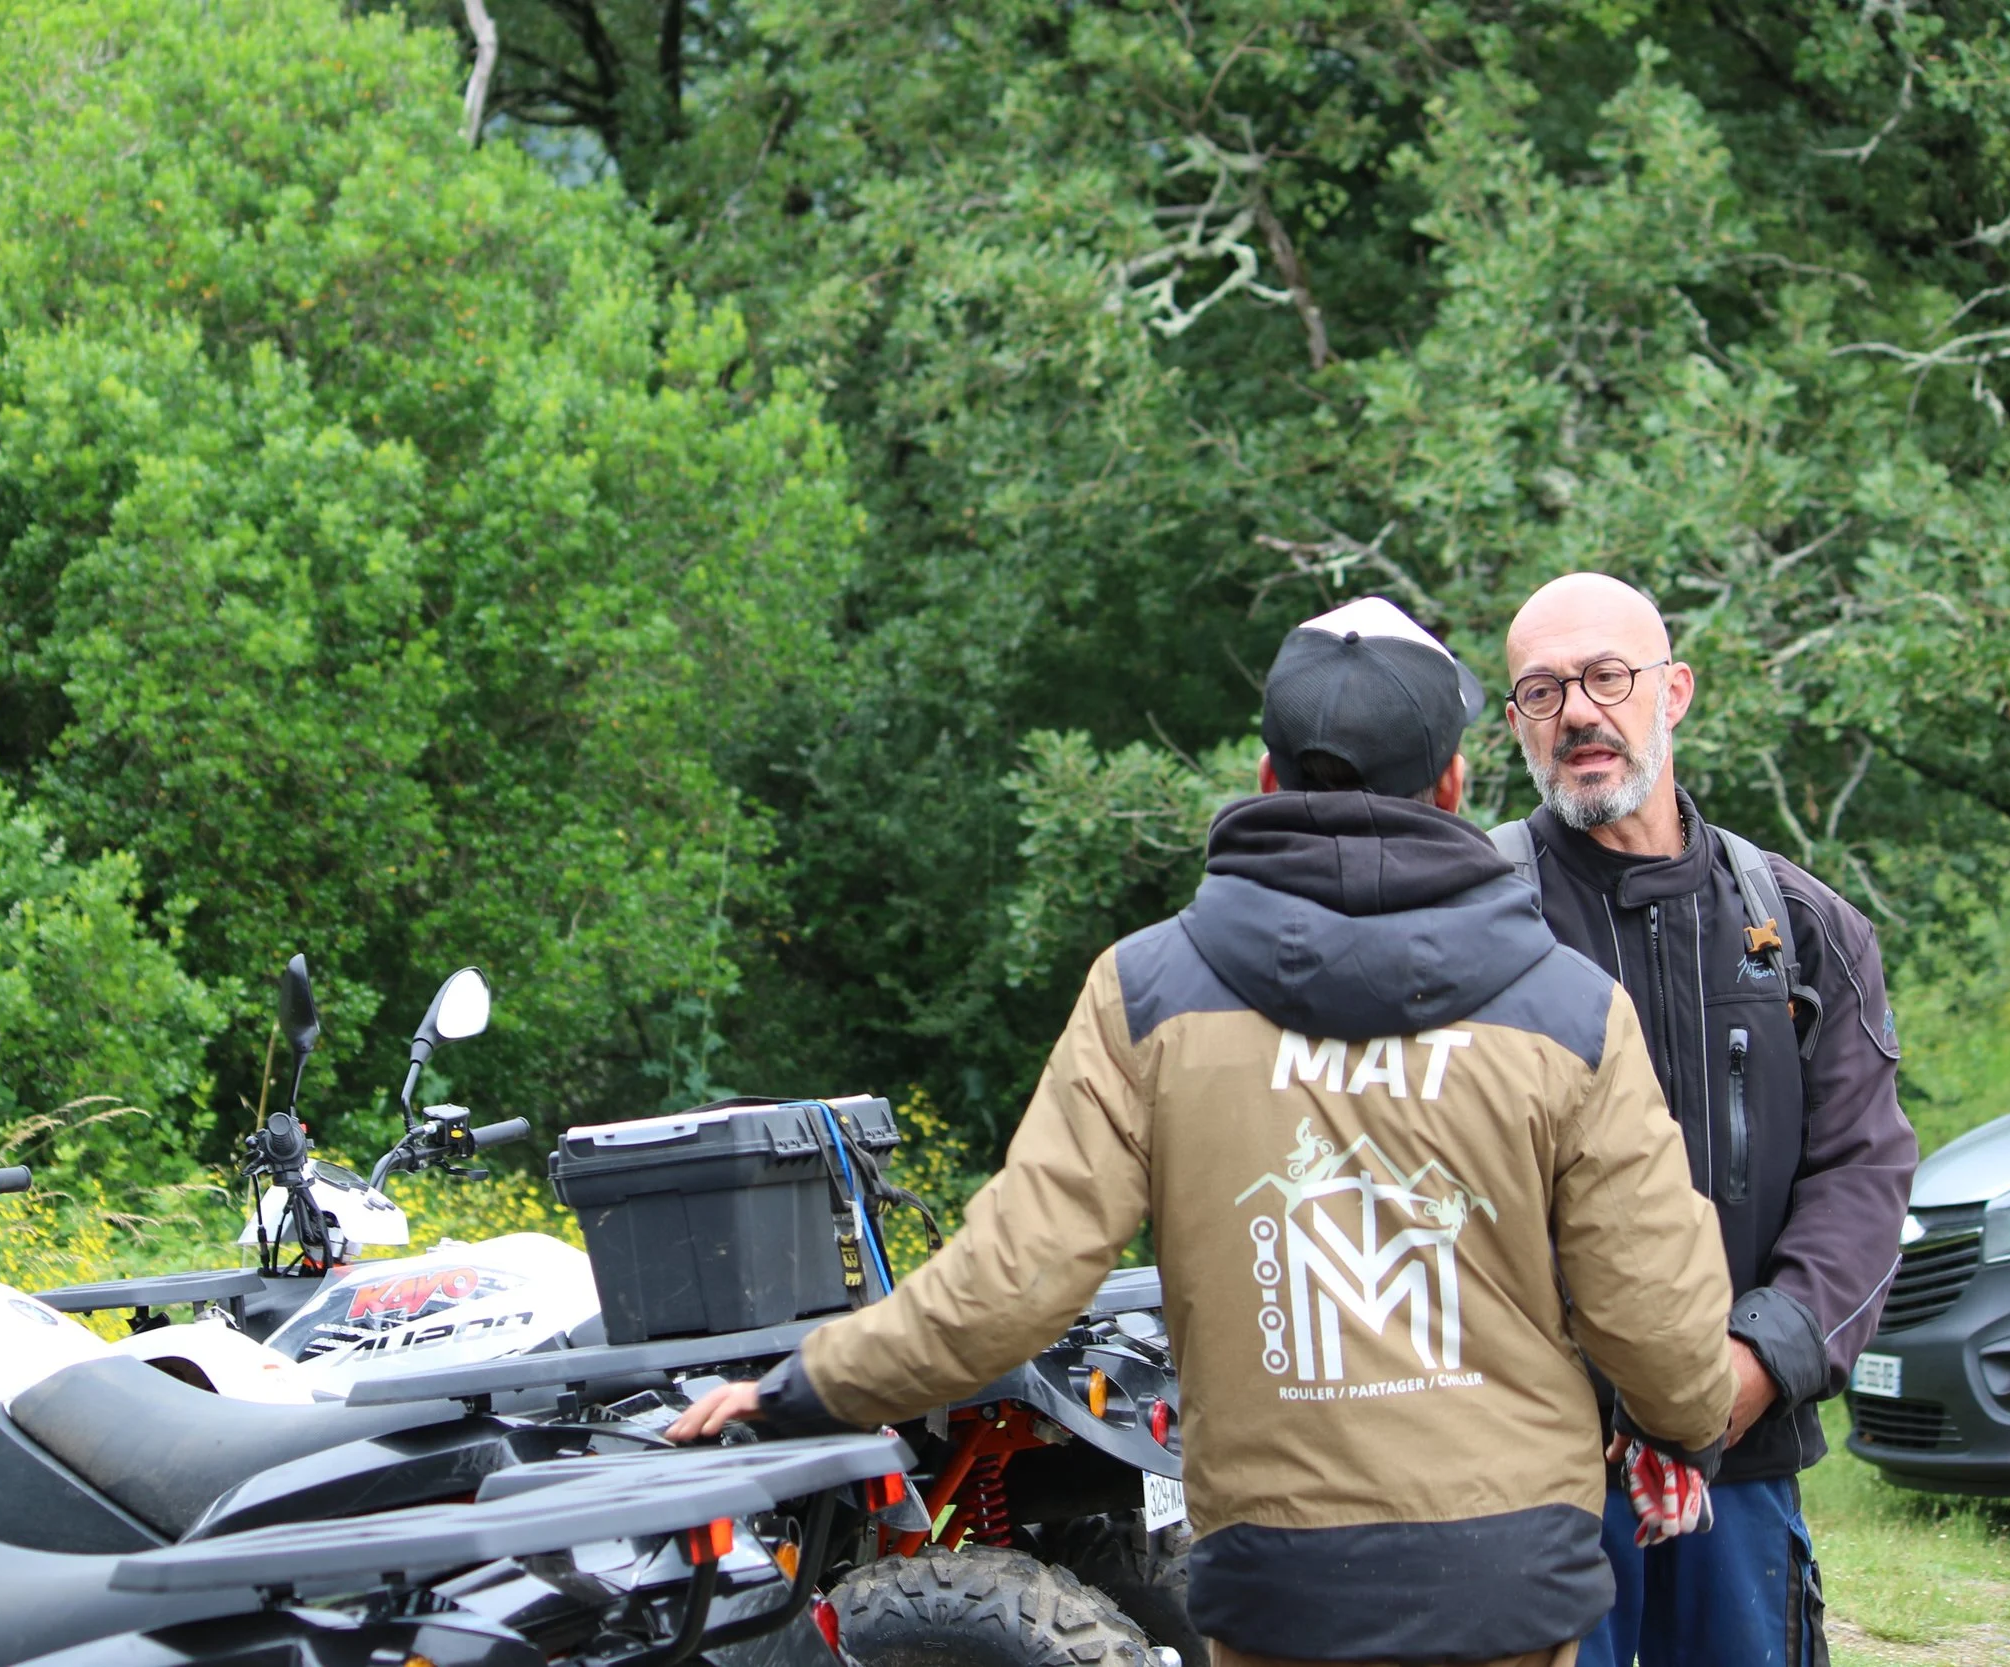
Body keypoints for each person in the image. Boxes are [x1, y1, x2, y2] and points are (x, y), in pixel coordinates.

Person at [672, 596, 1738, 1667]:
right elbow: (1657, 1321)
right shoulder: (1570, 1008)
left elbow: (1008, 1288)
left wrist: (799, 1385)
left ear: (1267, 781)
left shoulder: (1147, 993)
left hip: (1281, 1591)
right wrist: (1684, 1422)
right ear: (1452, 785)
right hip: (1507, 1586)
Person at [1496, 573, 1918, 1667]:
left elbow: (1862, 1171)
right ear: (1513, 723)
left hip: (1744, 1450)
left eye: (1606, 677)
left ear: (1672, 690)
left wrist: (1753, 1364)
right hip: (1525, 1471)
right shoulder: (1466, 922)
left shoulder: (1805, 926)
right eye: (1541, 691)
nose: (1579, 712)